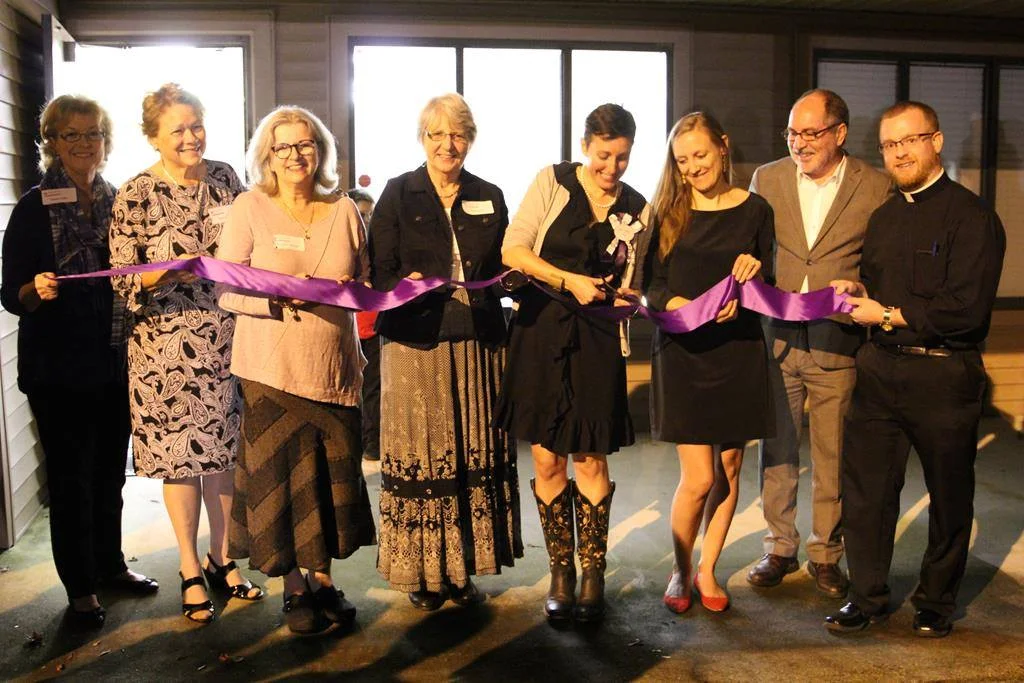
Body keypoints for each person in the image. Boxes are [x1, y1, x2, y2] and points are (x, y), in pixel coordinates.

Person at [825, 101, 1005, 638]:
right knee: (866, 492)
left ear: (937, 141)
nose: (899, 152)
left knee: (949, 494)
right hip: (880, 369)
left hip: (944, 375)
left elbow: (967, 309)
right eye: (888, 144)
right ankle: (867, 595)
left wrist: (885, 314)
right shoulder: (882, 218)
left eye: (910, 140)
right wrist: (859, 293)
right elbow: (881, 293)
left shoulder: (972, 216)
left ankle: (935, 602)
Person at [0, 95, 158, 629]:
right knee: (71, 479)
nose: (84, 143)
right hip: (58, 368)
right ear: (52, 141)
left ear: (106, 140)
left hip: (116, 360)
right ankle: (80, 585)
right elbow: (8, 292)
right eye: (72, 134)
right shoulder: (32, 207)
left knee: (110, 472)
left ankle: (110, 566)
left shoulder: (119, 201)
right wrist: (34, 288)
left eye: (93, 133)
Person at [218, 106, 376, 634]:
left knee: (327, 479)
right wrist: (275, 300)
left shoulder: (344, 211)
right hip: (269, 369)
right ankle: (291, 584)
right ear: (268, 153)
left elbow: (362, 284)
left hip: (332, 368)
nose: (295, 155)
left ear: (320, 151)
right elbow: (225, 287)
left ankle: (323, 577)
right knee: (281, 481)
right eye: (283, 146)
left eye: (305, 144)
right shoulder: (249, 207)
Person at [109, 83, 262, 625]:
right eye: (176, 129)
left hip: (225, 337)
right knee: (182, 461)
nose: (191, 136)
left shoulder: (226, 179)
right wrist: (178, 263)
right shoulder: (134, 193)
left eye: (196, 125)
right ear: (153, 137)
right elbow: (124, 279)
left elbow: (250, 246)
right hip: (163, 349)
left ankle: (223, 559)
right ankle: (188, 565)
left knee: (224, 458)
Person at [495, 103, 651, 623]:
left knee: (589, 456)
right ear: (586, 145)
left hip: (598, 339)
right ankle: (561, 571)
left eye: (623, 158)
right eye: (604, 155)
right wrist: (568, 280)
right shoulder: (552, 182)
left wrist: (632, 294)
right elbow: (513, 251)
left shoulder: (637, 206)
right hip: (540, 331)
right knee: (546, 457)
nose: (612, 168)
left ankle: (592, 572)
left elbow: (641, 280)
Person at [369, 93, 521, 611]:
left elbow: (508, 264)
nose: (447, 145)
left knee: (464, 456)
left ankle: (461, 570)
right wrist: (402, 283)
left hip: (478, 344)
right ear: (423, 139)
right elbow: (377, 270)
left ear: (470, 139)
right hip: (416, 345)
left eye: (456, 134)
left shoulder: (491, 194)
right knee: (424, 458)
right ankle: (421, 575)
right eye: (436, 135)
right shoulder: (398, 192)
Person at [747, 89, 892, 597]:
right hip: (778, 338)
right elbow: (752, 250)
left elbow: (883, 265)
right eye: (792, 133)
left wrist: (866, 294)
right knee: (777, 449)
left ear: (840, 133)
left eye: (811, 133)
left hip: (838, 339)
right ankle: (778, 546)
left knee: (833, 453)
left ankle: (826, 554)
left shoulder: (875, 186)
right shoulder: (767, 178)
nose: (799, 143)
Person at [645, 112, 774, 614]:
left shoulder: (756, 210)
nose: (692, 168)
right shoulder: (666, 212)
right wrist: (675, 305)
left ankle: (708, 568)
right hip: (684, 354)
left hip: (739, 351)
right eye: (682, 161)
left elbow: (771, 285)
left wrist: (751, 282)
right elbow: (650, 285)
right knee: (698, 478)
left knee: (729, 465)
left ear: (723, 146)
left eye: (700, 155)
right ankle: (680, 567)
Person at [348, 188, 382, 462]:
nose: (366, 221)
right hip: (349, 328)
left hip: (372, 329)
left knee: (372, 389)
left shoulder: (378, 248)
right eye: (361, 214)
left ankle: (372, 444)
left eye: (369, 215)